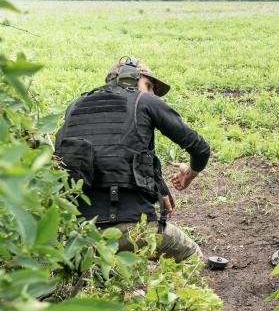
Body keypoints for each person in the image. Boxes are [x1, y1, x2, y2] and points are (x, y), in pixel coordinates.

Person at [55, 57, 211, 262]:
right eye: (148, 85)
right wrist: (190, 174)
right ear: (129, 78)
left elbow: (111, 152)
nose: (151, 93)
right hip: (130, 228)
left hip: (78, 237)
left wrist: (159, 189)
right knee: (192, 257)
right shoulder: (143, 100)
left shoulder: (75, 106)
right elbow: (200, 149)